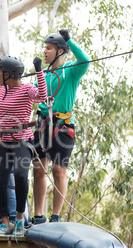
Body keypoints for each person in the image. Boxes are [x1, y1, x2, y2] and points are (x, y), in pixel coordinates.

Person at [0, 55, 47, 236]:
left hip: (23, 142)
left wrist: (39, 70)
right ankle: (5, 224)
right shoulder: (2, 91)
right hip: (2, 142)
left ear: (8, 74)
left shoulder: (27, 89)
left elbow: (43, 96)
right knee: (0, 180)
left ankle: (19, 220)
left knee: (21, 176)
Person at [32, 29, 90, 224]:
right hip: (42, 124)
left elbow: (85, 60)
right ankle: (39, 215)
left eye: (49, 48)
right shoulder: (44, 75)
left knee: (58, 171)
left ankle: (56, 216)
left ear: (60, 51)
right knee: (38, 169)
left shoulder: (71, 71)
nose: (45, 51)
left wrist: (69, 41)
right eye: (45, 48)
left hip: (63, 126)